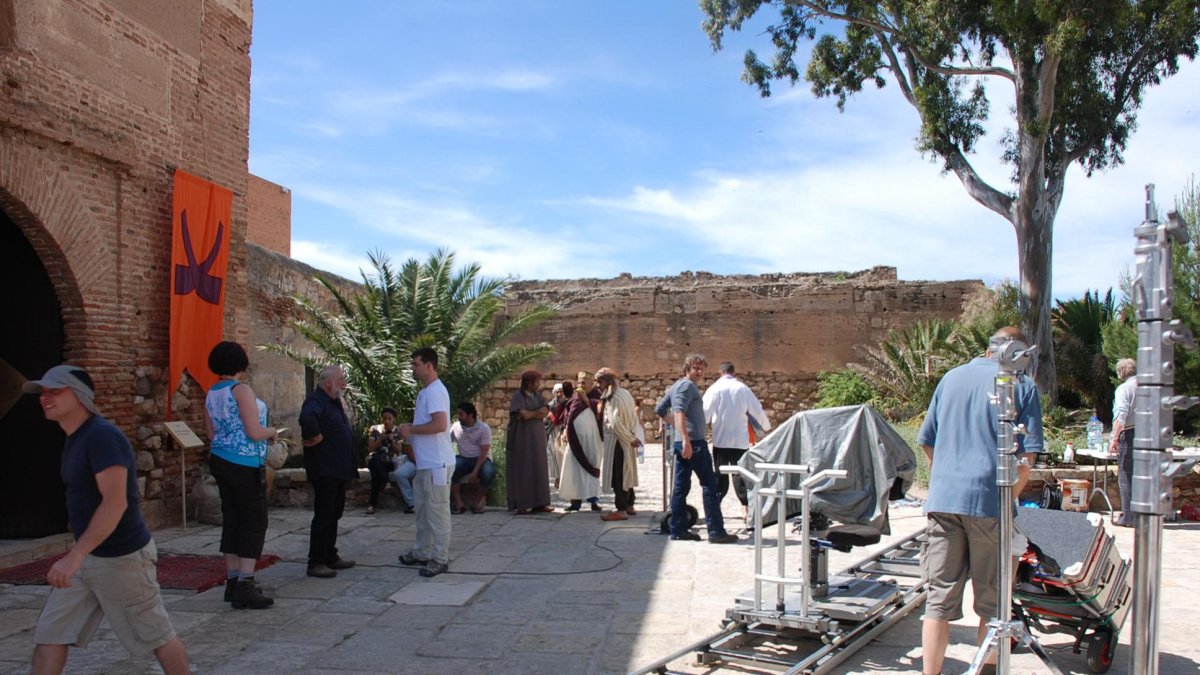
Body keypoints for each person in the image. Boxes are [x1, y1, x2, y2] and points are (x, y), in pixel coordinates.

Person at [23, 365, 189, 675]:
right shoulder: (74, 438)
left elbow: (115, 503)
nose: (45, 398)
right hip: (88, 558)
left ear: (81, 396)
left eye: (55, 391)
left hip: (122, 558)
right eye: (43, 392)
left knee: (157, 636)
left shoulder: (102, 438)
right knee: (50, 635)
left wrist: (75, 556)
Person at [917, 327, 1042, 675]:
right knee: (992, 605)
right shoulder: (1021, 386)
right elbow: (1026, 457)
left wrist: (946, 479)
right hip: (991, 506)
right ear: (1016, 351)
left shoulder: (951, 379)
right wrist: (1008, 500)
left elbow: (928, 441)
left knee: (938, 601)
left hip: (944, 503)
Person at [203, 341, 277, 609]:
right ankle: (246, 582)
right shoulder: (240, 390)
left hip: (221, 460)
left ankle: (232, 581)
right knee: (254, 521)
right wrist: (273, 433)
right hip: (245, 462)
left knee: (232, 518)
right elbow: (255, 432)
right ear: (240, 363)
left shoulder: (211, 392)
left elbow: (211, 434)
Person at [665, 354, 738, 544]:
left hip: (687, 443)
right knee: (709, 485)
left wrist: (679, 432)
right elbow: (678, 411)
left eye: (701, 368)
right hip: (694, 444)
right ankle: (716, 531)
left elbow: (660, 409)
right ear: (687, 369)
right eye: (695, 368)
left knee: (681, 488)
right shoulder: (686, 386)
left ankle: (678, 530)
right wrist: (686, 438)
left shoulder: (676, 386)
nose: (699, 372)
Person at [397, 347, 455, 577]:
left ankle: (440, 558)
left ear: (428, 365)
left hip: (437, 464)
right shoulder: (426, 392)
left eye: (416, 364)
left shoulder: (435, 392)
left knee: (438, 511)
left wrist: (412, 429)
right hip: (425, 463)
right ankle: (422, 551)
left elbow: (440, 425)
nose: (413, 369)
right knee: (422, 510)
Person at [298, 365, 358, 578]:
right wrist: (314, 437)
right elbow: (306, 418)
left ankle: (330, 555)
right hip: (325, 469)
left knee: (334, 513)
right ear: (327, 382)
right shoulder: (316, 401)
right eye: (340, 379)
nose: (344, 382)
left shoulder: (332, 401)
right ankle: (316, 562)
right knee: (324, 515)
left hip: (337, 469)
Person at [703, 361, 771, 522]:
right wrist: (766, 427)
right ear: (734, 372)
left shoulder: (714, 389)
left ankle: (716, 507)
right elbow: (757, 409)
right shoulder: (742, 388)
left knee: (720, 475)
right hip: (740, 441)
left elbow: (704, 413)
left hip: (721, 440)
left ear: (720, 372)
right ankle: (745, 509)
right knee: (741, 475)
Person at [596, 367, 641, 521]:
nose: (598, 385)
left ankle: (621, 509)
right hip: (627, 438)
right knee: (626, 472)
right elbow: (633, 416)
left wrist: (629, 438)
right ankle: (630, 505)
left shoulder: (613, 397)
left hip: (618, 441)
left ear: (607, 382)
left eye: (600, 382)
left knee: (618, 476)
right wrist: (631, 436)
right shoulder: (625, 393)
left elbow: (615, 423)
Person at [506, 370, 555, 514]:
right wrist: (535, 413)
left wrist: (532, 413)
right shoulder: (518, 397)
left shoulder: (538, 396)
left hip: (538, 438)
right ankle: (522, 503)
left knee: (539, 467)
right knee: (524, 469)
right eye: (536, 382)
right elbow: (523, 414)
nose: (539, 384)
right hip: (522, 439)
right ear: (529, 383)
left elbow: (545, 411)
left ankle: (540, 503)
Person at [558, 381, 603, 513]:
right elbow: (568, 416)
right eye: (579, 382)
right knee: (574, 469)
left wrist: (586, 399)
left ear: (591, 383)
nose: (581, 385)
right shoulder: (575, 398)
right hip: (574, 439)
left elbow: (600, 411)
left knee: (590, 466)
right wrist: (565, 430)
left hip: (590, 438)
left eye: (584, 382)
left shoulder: (596, 395)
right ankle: (575, 503)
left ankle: (593, 501)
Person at [450, 401, 496, 514]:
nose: (459, 417)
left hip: (481, 458)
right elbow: (446, 442)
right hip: (464, 458)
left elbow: (484, 452)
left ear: (470, 415)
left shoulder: (483, 429)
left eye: (461, 414)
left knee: (488, 473)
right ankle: (459, 503)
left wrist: (475, 471)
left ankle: (476, 503)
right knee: (450, 470)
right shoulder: (456, 427)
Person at [1109, 357, 1137, 527]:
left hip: (1131, 433)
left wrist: (1114, 438)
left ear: (1120, 373)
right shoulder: (1150, 388)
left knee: (1126, 476)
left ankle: (1128, 517)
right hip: (1151, 435)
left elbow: (1121, 415)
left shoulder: (1124, 389)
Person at [365, 407, 402, 515]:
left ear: (393, 419)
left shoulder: (396, 431)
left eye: (389, 419)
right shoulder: (375, 430)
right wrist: (380, 440)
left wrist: (391, 441)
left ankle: (372, 505)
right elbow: (370, 449)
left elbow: (399, 450)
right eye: (385, 419)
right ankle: (386, 482)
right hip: (376, 459)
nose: (387, 421)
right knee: (375, 460)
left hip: (389, 461)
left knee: (375, 473)